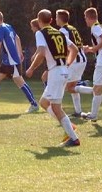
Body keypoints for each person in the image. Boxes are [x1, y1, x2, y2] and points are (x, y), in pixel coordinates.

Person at [24, 9, 81, 147]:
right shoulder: (60, 32)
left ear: (39, 20)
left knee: (56, 107)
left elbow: (42, 52)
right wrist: (67, 63)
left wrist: (31, 68)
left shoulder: (40, 33)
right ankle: (69, 126)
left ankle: (73, 138)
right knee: (44, 102)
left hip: (56, 73)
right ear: (51, 20)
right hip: (61, 71)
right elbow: (74, 49)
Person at [0, 11, 39, 114]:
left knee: (20, 82)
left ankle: (34, 104)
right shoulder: (8, 26)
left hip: (12, 61)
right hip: (8, 61)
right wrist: (20, 52)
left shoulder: (1, 28)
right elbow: (17, 38)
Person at [55, 9, 88, 118]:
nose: (55, 19)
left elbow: (67, 48)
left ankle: (94, 90)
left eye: (56, 17)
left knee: (65, 86)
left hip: (74, 61)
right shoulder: (73, 29)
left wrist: (65, 62)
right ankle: (78, 111)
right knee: (72, 87)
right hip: (81, 60)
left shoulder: (63, 31)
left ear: (60, 18)